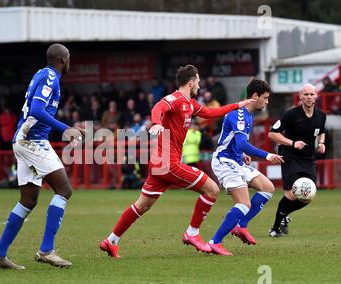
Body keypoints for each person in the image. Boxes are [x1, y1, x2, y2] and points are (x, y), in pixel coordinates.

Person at [99, 65, 255, 258]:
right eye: (198, 81)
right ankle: (192, 234)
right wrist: (156, 123)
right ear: (191, 82)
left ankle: (111, 241)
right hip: (169, 164)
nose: (199, 85)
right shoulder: (176, 99)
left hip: (160, 165)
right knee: (212, 189)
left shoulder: (190, 103)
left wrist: (239, 104)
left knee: (142, 205)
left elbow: (211, 112)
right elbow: (159, 107)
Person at [0, 43, 84, 269]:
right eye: (69, 59)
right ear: (64, 60)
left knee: (28, 200)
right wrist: (65, 129)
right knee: (64, 189)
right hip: (32, 141)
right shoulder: (51, 77)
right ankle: (46, 250)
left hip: (23, 139)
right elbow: (37, 111)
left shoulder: (41, 74)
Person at [208, 79, 283, 256]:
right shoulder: (240, 114)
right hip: (224, 161)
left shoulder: (248, 114)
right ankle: (215, 242)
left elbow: (233, 140)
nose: (267, 102)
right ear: (255, 96)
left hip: (236, 159)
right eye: (265, 98)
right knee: (244, 203)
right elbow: (241, 143)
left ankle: (240, 225)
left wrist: (240, 153)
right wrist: (267, 155)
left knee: (267, 188)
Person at [268, 84, 326, 237]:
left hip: (308, 159)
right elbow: (272, 134)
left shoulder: (321, 115)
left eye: (311, 94)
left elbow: (322, 132)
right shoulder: (291, 114)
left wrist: (321, 143)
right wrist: (293, 143)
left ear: (316, 96)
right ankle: (274, 229)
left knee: (308, 196)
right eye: (305, 94)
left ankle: (284, 215)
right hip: (290, 157)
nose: (308, 97)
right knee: (291, 194)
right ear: (300, 96)